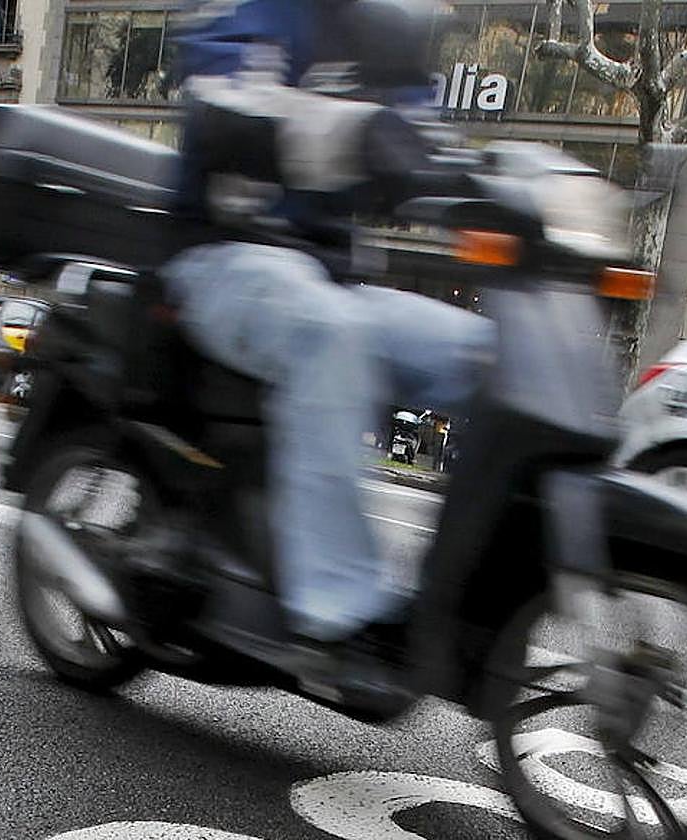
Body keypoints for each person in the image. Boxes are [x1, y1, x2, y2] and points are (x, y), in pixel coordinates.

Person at [164, 0, 494, 653]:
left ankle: (474, 604)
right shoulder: (256, 12)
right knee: (331, 335)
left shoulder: (385, 31)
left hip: (328, 280)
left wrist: (499, 188)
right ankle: (336, 612)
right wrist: (361, 134)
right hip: (221, 260)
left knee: (484, 357)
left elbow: (423, 139)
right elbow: (223, 102)